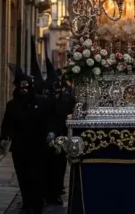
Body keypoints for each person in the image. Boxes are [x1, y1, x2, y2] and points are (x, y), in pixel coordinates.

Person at [0, 65, 52, 214]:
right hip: (20, 147)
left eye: (27, 86)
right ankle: (26, 202)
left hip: (38, 146)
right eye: (21, 87)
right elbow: (7, 123)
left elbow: (48, 120)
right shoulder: (12, 105)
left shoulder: (41, 102)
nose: (24, 89)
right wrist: (4, 138)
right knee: (23, 176)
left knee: (37, 175)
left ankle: (37, 204)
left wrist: (50, 133)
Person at [42, 59, 74, 206]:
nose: (56, 90)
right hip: (46, 138)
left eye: (58, 87)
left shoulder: (67, 99)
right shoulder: (44, 99)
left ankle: (56, 192)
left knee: (59, 167)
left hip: (61, 137)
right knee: (47, 167)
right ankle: (48, 192)